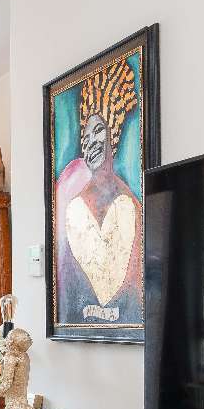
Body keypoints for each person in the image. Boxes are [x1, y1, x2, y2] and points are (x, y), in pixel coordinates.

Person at [54, 59, 144, 325]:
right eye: (86, 134)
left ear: (113, 134)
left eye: (99, 130)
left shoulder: (129, 205)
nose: (91, 141)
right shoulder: (74, 205)